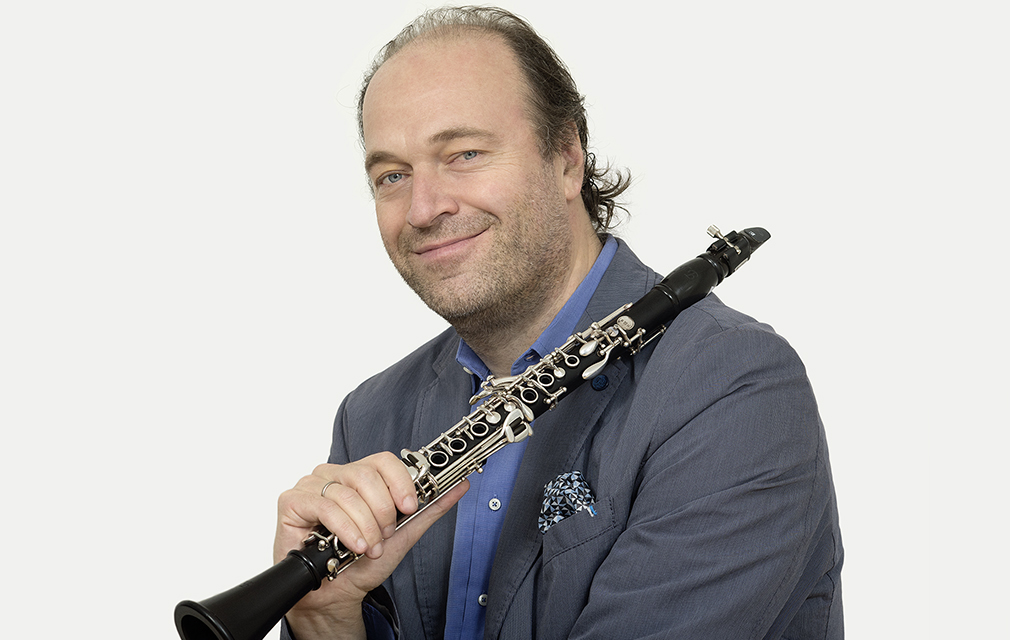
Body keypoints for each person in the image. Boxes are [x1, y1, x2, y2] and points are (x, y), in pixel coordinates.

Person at [274, 7, 842, 640]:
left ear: (568, 158)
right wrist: (324, 617)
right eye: (392, 175)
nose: (424, 209)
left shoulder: (732, 385)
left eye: (464, 153)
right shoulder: (372, 416)